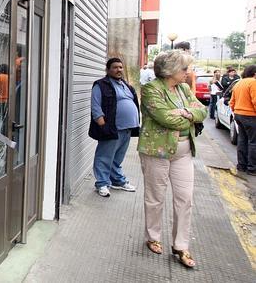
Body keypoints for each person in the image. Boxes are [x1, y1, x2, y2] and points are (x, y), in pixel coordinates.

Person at [138, 50, 207, 268]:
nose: (188, 73)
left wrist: (186, 112)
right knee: (155, 197)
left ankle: (181, 245)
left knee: (185, 199)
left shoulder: (184, 89)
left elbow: (202, 111)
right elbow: (165, 118)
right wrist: (188, 117)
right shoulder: (151, 89)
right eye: (184, 69)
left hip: (184, 151)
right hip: (156, 151)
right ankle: (153, 236)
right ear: (170, 71)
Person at [88, 57, 139, 197]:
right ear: (108, 69)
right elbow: (96, 107)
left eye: (121, 67)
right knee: (104, 156)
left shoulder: (126, 85)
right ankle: (102, 183)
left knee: (117, 157)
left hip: (127, 128)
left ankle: (117, 181)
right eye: (115, 67)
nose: (119, 70)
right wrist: (103, 125)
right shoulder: (101, 85)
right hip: (111, 127)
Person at [229, 64, 256, 175]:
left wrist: (237, 111)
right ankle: (252, 168)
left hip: (239, 114)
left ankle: (241, 165)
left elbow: (232, 102)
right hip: (250, 115)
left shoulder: (239, 83)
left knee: (242, 140)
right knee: (253, 142)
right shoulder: (253, 83)